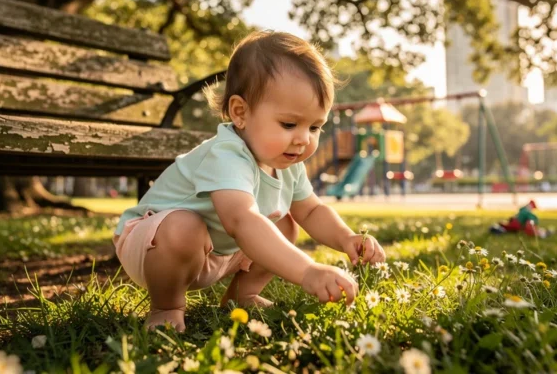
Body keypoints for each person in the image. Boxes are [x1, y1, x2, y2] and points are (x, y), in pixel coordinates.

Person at [113, 31, 387, 332]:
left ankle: (242, 296)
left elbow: (311, 211)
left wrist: (346, 238)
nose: (303, 139)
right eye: (289, 124)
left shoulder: (286, 162)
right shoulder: (227, 155)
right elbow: (241, 221)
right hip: (153, 244)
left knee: (285, 224)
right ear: (240, 113)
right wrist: (307, 271)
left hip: (215, 250)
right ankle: (167, 306)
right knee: (185, 227)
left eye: (315, 126)